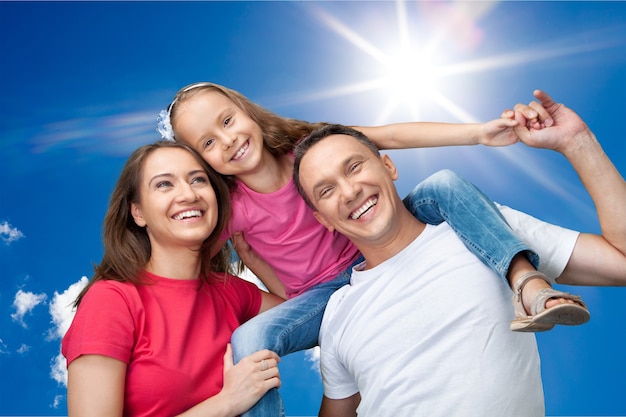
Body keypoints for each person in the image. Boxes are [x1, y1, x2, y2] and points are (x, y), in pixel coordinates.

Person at [158, 83, 589, 416]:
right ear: (203, 163)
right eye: (208, 143)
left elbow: (391, 136)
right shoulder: (232, 208)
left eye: (227, 121)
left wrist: (477, 132)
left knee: (440, 185)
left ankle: (527, 284)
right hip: (325, 297)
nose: (227, 140)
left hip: (379, 240)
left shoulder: (306, 149)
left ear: (246, 110)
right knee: (250, 336)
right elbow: (182, 252)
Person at [292, 90, 626, 416]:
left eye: (354, 167)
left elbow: (620, 263)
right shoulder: (336, 312)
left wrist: (578, 142)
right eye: (327, 190)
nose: (349, 192)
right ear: (324, 220)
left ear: (389, 166)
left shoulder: (486, 230)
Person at [61, 141, 284, 417]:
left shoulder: (230, 291)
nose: (188, 194)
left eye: (198, 180)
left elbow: (306, 315)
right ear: (138, 213)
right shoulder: (111, 300)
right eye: (164, 184)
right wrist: (227, 402)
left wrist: (255, 261)